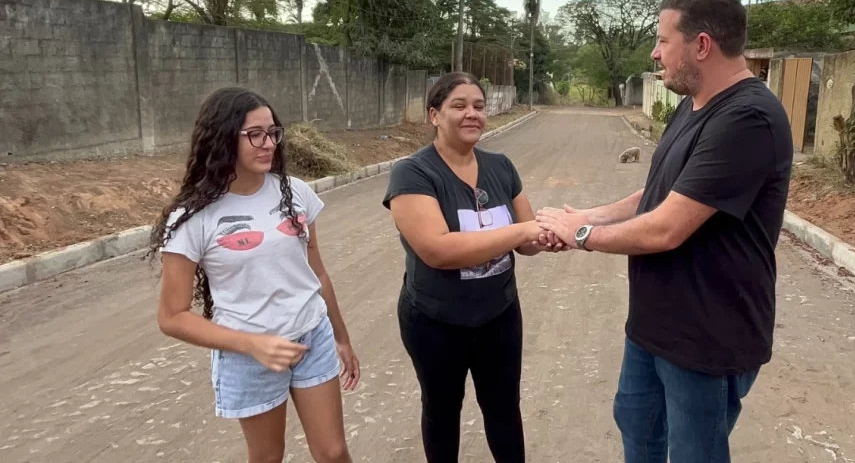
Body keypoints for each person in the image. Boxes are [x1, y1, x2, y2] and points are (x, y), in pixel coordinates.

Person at [535, 0, 793, 463]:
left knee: (694, 453)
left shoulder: (747, 118)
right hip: (655, 328)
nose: (655, 54)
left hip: (707, 338)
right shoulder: (691, 106)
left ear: (701, 45)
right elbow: (659, 193)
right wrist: (587, 214)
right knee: (638, 428)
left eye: (662, 40)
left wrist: (583, 236)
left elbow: (667, 227)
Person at [150, 86, 361, 463]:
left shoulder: (293, 192)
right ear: (222, 138)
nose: (269, 144)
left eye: (273, 133)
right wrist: (253, 345)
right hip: (247, 353)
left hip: (311, 335)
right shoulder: (192, 218)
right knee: (267, 457)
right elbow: (172, 317)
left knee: (333, 452)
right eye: (255, 135)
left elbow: (317, 272)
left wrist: (341, 338)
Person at [382, 71, 560, 463]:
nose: (472, 114)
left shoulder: (501, 167)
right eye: (458, 106)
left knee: (504, 410)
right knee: (442, 411)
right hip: (435, 320)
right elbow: (438, 251)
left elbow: (526, 241)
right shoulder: (413, 173)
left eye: (478, 106)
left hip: (499, 314)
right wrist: (523, 232)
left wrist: (551, 235)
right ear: (434, 115)